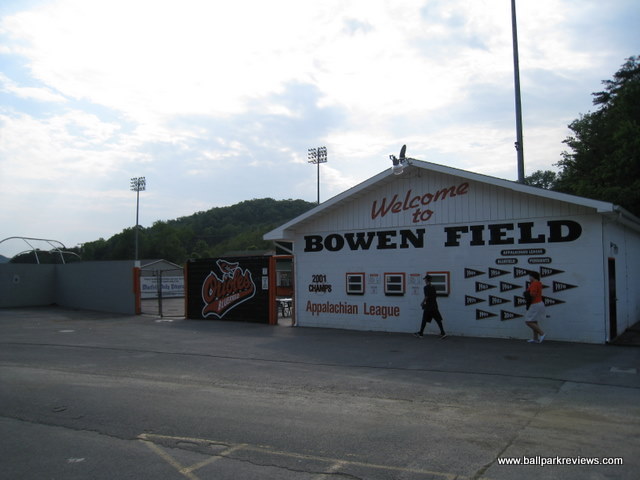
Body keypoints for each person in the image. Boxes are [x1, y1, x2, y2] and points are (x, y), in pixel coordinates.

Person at [414, 275, 447, 339]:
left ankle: (421, 333)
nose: (424, 280)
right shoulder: (433, 287)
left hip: (428, 307)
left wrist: (422, 302)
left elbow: (426, 296)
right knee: (438, 320)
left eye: (425, 279)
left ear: (426, 280)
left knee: (424, 320)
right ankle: (443, 333)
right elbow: (435, 296)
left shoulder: (426, 287)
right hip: (434, 306)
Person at [524, 271, 546, 343]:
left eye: (530, 276)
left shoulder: (534, 283)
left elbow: (533, 294)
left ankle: (542, 333)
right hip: (538, 303)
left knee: (528, 321)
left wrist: (527, 295)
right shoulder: (538, 283)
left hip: (535, 304)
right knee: (533, 321)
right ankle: (535, 339)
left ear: (533, 276)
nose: (529, 278)